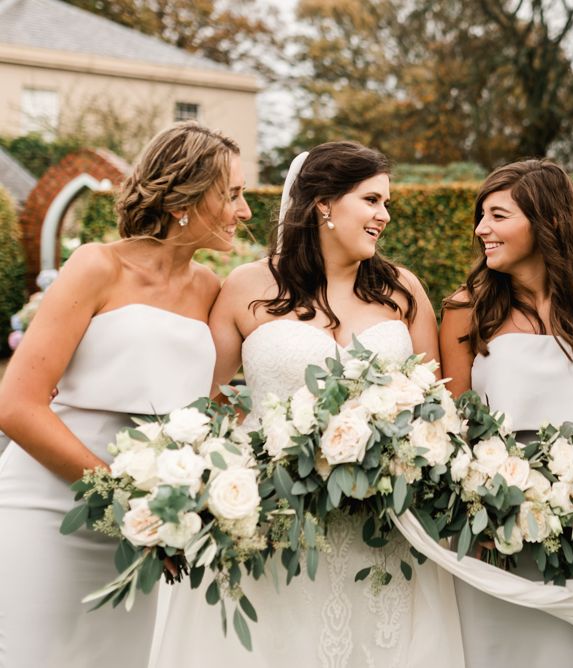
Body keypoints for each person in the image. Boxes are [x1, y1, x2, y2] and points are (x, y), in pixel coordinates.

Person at [154, 141, 464, 667]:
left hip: (381, 531)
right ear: (323, 204)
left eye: (385, 204)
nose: (383, 216)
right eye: (371, 201)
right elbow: (202, 404)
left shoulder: (402, 291)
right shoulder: (246, 287)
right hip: (277, 528)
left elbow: (440, 408)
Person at [0, 121, 251, 668]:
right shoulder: (97, 265)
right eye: (232, 194)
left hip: (146, 530)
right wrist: (122, 500)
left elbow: (206, 406)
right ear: (186, 195)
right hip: (48, 510)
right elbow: (16, 406)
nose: (245, 211)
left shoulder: (212, 290)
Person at [439, 159, 573, 668]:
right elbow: (453, 424)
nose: (482, 229)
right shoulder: (467, 309)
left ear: (549, 221)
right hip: (491, 533)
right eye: (481, 216)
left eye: (498, 215)